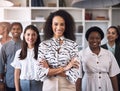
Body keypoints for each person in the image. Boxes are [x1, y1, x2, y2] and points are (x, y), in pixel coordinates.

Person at [37, 10, 81, 91]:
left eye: (62, 24)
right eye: (56, 24)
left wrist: (49, 70)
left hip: (68, 87)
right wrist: (66, 68)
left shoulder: (72, 45)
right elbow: (40, 73)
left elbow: (75, 74)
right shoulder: (43, 45)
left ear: (66, 26)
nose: (59, 27)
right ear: (51, 25)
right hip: (49, 87)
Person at [79, 26, 120, 91]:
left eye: (97, 38)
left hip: (106, 86)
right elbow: (78, 77)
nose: (94, 40)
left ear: (101, 39)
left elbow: (113, 75)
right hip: (88, 85)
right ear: (87, 39)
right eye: (91, 38)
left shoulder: (108, 54)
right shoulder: (81, 54)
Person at [11, 25, 42, 91]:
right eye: (28, 34)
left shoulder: (42, 52)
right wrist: (17, 89)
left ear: (37, 36)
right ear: (24, 35)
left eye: (33, 34)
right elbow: (17, 73)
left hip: (38, 84)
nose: (30, 37)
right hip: (23, 84)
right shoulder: (19, 52)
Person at [0, 22, 23, 91]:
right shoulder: (5, 46)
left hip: (23, 80)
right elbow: (1, 65)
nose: (16, 31)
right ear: (10, 31)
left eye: (18, 29)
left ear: (22, 30)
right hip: (9, 80)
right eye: (14, 29)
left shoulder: (26, 45)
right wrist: (1, 82)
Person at [101, 26, 120, 90]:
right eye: (108, 33)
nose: (110, 35)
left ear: (117, 36)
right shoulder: (100, 48)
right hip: (105, 79)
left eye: (113, 33)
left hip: (118, 78)